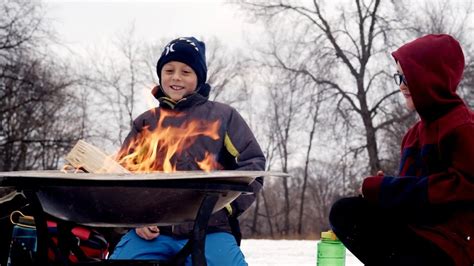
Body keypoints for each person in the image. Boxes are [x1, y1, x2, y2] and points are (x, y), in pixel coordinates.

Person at [109, 37, 266, 265]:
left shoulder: (223, 117)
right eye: (169, 70)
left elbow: (253, 164)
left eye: (186, 71)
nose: (176, 77)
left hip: (210, 229)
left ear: (199, 78)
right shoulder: (145, 122)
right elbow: (121, 175)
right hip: (153, 231)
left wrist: (225, 208)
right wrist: (136, 220)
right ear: (160, 74)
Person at [329, 34, 474, 266]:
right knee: (345, 211)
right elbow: (409, 199)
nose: (401, 86)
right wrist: (381, 196)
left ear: (430, 77)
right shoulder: (413, 135)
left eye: (407, 77)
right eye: (399, 77)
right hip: (415, 235)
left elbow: (464, 188)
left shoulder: (463, 126)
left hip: (450, 246)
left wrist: (387, 189)